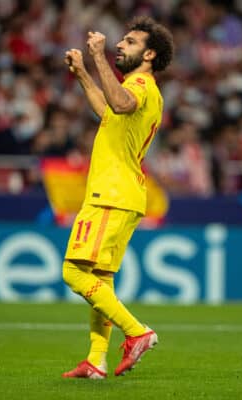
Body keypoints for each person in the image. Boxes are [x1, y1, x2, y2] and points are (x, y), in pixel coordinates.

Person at [61, 16, 174, 379]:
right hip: (123, 194)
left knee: (73, 272)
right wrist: (82, 73)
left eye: (130, 41)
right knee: (100, 278)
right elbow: (109, 108)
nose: (120, 45)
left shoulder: (139, 83)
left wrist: (96, 57)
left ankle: (138, 331)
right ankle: (96, 359)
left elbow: (122, 103)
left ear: (149, 54)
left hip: (110, 193)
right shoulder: (140, 88)